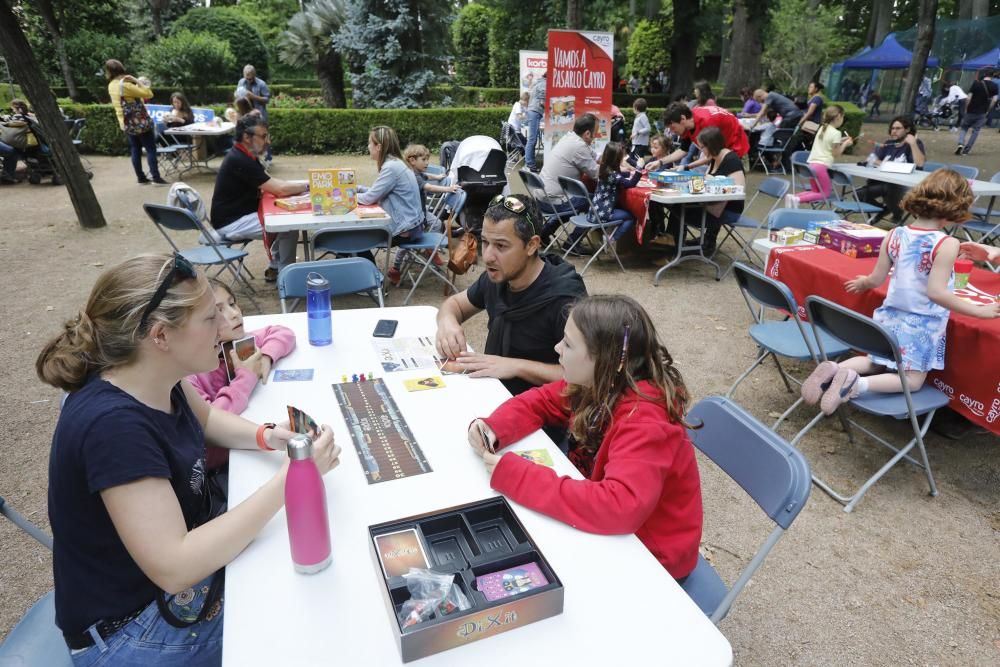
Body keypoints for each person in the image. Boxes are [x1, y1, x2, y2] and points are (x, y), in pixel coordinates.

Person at [37, 253, 341, 664]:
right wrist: (294, 476)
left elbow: (210, 419)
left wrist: (267, 437)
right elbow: (176, 566)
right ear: (160, 336)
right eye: (208, 319)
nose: (225, 326)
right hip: (130, 628)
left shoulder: (152, 374)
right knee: (304, 621)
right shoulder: (113, 427)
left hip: (167, 590)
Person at [466, 295, 702, 581]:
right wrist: (492, 428)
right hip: (614, 531)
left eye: (567, 343)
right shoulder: (600, 382)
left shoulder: (645, 422)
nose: (557, 348)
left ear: (604, 359)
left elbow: (619, 506)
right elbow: (541, 401)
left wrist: (519, 476)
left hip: (650, 558)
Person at [801, 170, 1000, 416]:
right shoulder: (947, 244)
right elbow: (936, 293)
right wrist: (978, 311)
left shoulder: (894, 235)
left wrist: (863, 283)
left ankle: (833, 368)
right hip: (922, 326)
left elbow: (876, 278)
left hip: (889, 317)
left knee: (876, 361)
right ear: (954, 211)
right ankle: (856, 384)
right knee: (913, 380)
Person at [434, 194, 587, 398]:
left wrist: (515, 366)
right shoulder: (499, 276)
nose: (487, 256)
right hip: (493, 395)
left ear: (532, 245)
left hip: (541, 417)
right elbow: (455, 305)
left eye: (501, 246)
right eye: (485, 242)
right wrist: (447, 322)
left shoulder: (566, 300)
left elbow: (584, 378)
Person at [186, 278, 296, 468]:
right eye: (217, 311)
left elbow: (281, 332)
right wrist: (246, 377)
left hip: (253, 443)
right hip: (227, 463)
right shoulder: (188, 375)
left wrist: (266, 357)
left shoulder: (237, 344)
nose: (235, 314)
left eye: (232, 303)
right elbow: (212, 424)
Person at [209, 115, 306, 282]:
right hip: (230, 223)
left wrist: (301, 185)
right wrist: (309, 185)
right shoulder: (240, 159)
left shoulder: (244, 155)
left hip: (235, 217)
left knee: (282, 222)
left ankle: (276, 267)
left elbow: (272, 183)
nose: (267, 141)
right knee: (288, 226)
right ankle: (287, 278)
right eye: (263, 136)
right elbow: (280, 189)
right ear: (247, 137)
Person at [357, 125, 426, 267]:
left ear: (379, 147)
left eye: (370, 143)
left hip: (405, 230)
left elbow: (370, 198)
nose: (368, 146)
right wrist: (357, 189)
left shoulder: (391, 167)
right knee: (355, 236)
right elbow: (377, 192)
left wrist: (346, 197)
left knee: (355, 239)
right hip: (412, 225)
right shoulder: (396, 163)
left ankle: (373, 280)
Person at [105, 59, 165, 186]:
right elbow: (149, 93)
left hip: (126, 123)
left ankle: (141, 178)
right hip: (140, 122)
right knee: (150, 149)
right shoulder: (126, 85)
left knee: (135, 149)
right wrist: (136, 80)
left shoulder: (111, 85)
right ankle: (156, 177)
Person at [538, 114, 599, 236]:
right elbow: (597, 174)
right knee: (597, 203)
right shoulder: (579, 146)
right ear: (587, 134)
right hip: (553, 201)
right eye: (596, 132)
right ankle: (573, 243)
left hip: (542, 197)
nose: (596, 136)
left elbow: (594, 155)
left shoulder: (569, 137)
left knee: (577, 203)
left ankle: (544, 233)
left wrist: (608, 158)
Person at [857, 116, 925, 224]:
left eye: (898, 128)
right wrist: (885, 164)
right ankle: (884, 210)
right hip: (885, 183)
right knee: (858, 194)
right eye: (893, 128)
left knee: (892, 189)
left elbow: (920, 163)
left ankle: (896, 213)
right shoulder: (889, 143)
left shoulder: (915, 143)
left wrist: (913, 143)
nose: (894, 131)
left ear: (907, 130)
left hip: (904, 186)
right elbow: (873, 159)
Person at [789, 105, 853, 206]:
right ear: (838, 116)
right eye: (843, 117)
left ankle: (794, 197)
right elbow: (836, 153)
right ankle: (797, 199)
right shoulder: (836, 133)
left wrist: (842, 140)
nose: (843, 120)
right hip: (821, 166)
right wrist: (845, 144)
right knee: (824, 194)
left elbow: (827, 142)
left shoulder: (823, 128)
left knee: (815, 192)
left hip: (812, 165)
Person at [584, 142, 642, 251]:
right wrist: (639, 169)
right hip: (603, 214)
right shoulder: (613, 175)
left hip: (594, 211)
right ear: (617, 159)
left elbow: (619, 176)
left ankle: (602, 234)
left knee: (625, 212)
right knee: (632, 217)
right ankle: (611, 239)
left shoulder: (604, 168)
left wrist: (629, 173)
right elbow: (630, 184)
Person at [660, 103, 749, 171]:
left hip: (736, 147)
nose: (673, 132)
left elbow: (710, 155)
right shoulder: (688, 123)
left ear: (683, 119)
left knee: (730, 184)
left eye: (673, 127)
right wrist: (660, 162)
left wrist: (686, 167)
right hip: (721, 148)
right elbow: (684, 149)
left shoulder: (707, 123)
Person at [956, 68, 998, 156]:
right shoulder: (994, 86)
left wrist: (967, 108)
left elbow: (968, 97)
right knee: (975, 131)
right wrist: (988, 110)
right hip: (982, 112)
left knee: (964, 128)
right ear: (993, 76)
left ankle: (960, 143)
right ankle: (966, 150)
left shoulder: (976, 83)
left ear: (984, 75)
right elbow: (994, 100)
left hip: (971, 110)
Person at [235, 65, 271, 165]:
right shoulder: (241, 82)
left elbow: (267, 99)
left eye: (250, 78)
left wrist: (253, 96)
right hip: (245, 114)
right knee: (249, 138)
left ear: (254, 75)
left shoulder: (262, 84)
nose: (248, 79)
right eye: (247, 77)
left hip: (258, 115)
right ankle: (252, 159)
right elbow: (238, 96)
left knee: (263, 136)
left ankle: (268, 159)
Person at [524, 72, 546, 172]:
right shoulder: (544, 84)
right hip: (535, 112)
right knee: (532, 140)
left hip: (533, 112)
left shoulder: (539, 83)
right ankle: (530, 164)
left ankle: (530, 163)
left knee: (532, 139)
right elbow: (542, 102)